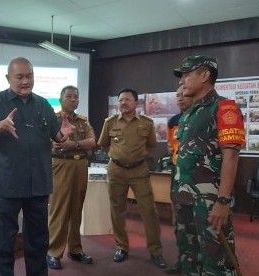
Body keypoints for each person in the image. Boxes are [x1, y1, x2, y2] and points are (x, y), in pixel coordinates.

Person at [0, 57, 73, 276]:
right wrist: (0, 125)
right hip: (8, 185)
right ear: (8, 77)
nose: (25, 81)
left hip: (38, 185)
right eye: (19, 77)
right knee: (3, 244)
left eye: (29, 76)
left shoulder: (44, 104)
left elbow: (56, 136)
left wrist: (63, 135)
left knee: (38, 243)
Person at [173, 55, 245, 275]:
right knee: (189, 256)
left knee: (216, 260)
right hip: (184, 197)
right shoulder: (188, 114)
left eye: (186, 75)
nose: (181, 81)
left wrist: (223, 201)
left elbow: (231, 157)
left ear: (204, 75)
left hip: (209, 202)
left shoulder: (225, 108)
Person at [97, 88, 166, 268]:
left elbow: (151, 146)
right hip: (116, 170)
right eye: (120, 100)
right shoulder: (110, 122)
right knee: (117, 210)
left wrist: (135, 158)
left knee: (149, 210)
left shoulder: (146, 123)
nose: (123, 103)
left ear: (136, 103)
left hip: (139, 171)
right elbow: (103, 145)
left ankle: (155, 251)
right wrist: (119, 156)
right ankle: (122, 247)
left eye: (127, 100)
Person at [46, 86, 97, 269]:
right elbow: (53, 145)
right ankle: (53, 252)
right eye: (68, 96)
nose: (73, 99)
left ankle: (75, 249)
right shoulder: (53, 120)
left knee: (77, 208)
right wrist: (80, 146)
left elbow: (93, 141)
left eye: (76, 96)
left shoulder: (83, 121)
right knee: (59, 208)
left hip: (80, 165)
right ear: (60, 99)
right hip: (61, 164)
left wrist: (73, 144)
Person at [165, 85, 193, 275]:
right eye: (177, 95)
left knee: (198, 225)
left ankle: (198, 265)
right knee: (181, 223)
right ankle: (184, 261)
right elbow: (170, 146)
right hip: (177, 175)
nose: (180, 98)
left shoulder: (202, 117)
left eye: (183, 94)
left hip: (198, 178)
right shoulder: (174, 121)